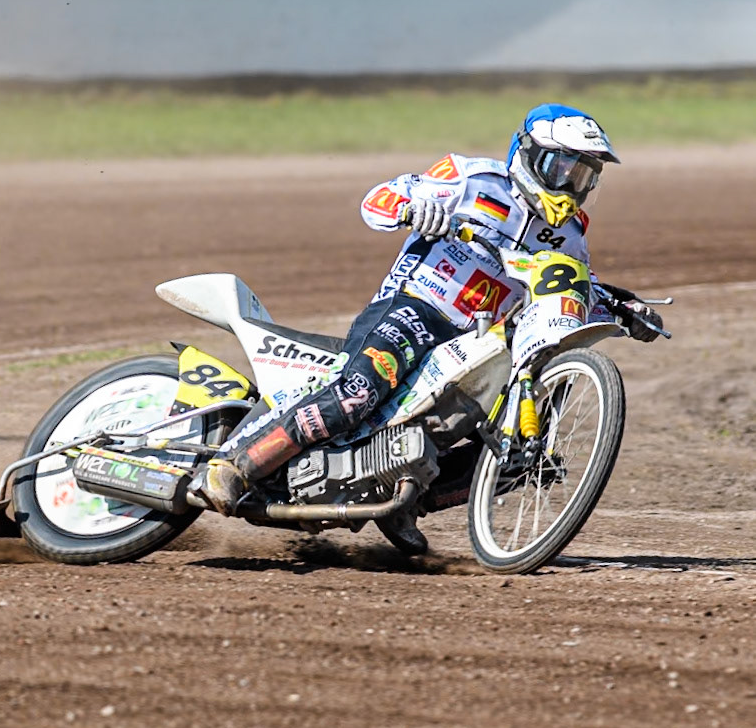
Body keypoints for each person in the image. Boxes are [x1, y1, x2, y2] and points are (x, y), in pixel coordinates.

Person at [190, 104, 664, 552]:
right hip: (418, 307)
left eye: (585, 174)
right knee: (357, 393)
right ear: (532, 156)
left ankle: (404, 500)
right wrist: (411, 208)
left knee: (521, 454)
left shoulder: (572, 233)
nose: (573, 183)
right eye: (565, 168)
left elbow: (569, 283)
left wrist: (624, 308)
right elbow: (377, 200)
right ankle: (237, 466)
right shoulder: (471, 177)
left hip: (480, 339)